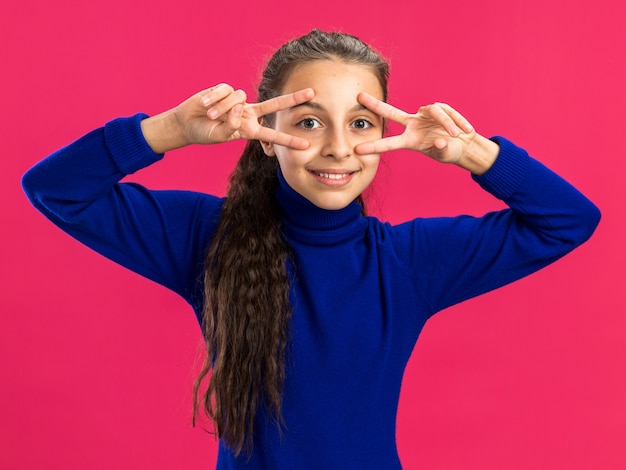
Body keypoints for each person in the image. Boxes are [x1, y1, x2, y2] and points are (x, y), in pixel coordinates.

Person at [22, 30, 600, 468]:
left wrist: (473, 153)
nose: (339, 148)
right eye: (308, 121)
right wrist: (170, 129)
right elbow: (53, 189)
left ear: (388, 135)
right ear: (267, 137)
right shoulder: (207, 236)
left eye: (363, 123)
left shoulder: (407, 262)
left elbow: (568, 220)